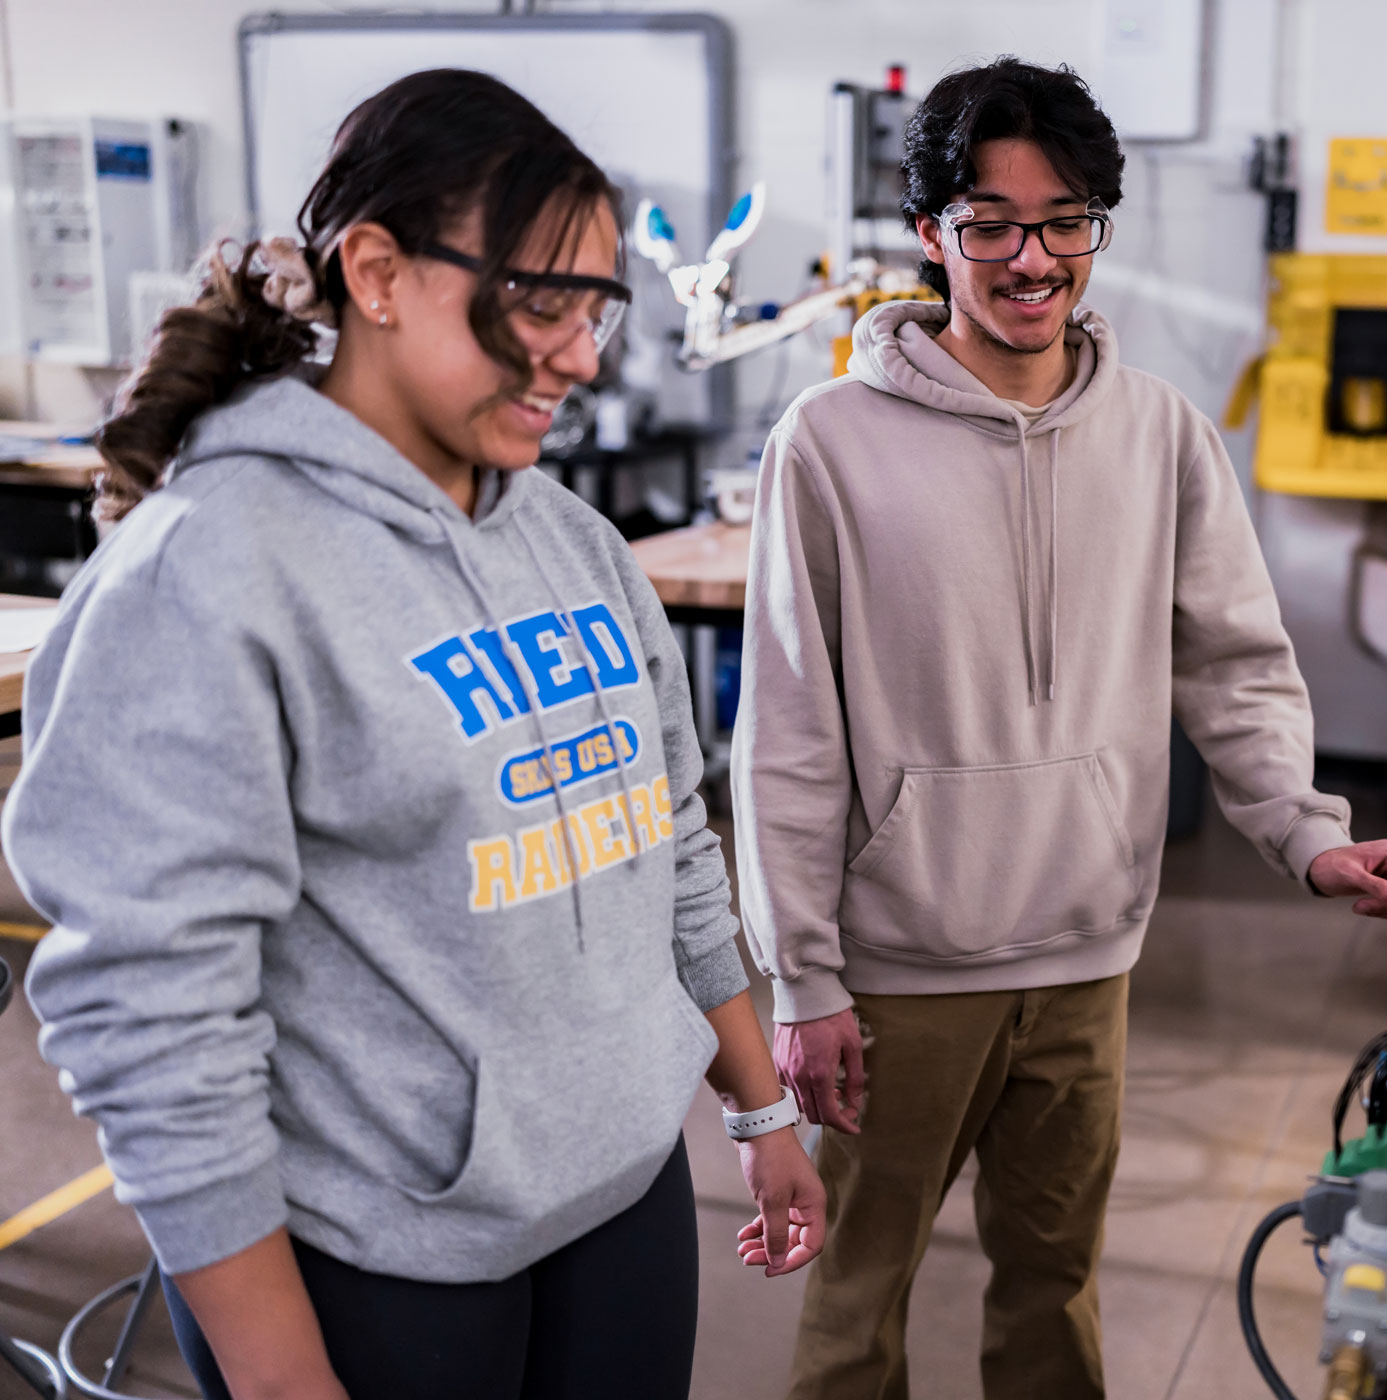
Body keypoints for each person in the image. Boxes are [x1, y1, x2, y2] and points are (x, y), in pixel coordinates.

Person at [2, 70, 821, 1400]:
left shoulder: (580, 547)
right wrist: (280, 1379)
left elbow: (666, 837)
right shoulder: (206, 573)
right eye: (538, 302)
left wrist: (757, 1104)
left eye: (595, 309)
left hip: (623, 1195)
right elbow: (153, 1019)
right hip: (380, 1254)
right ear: (378, 272)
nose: (579, 354)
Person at [729, 57, 1387, 1400]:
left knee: (1056, 1290)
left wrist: (1305, 831)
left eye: (1065, 220)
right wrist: (804, 976)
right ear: (933, 234)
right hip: (898, 975)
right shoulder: (828, 444)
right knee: (859, 1299)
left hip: (1085, 958)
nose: (1031, 256)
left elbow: (1235, 661)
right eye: (990, 222)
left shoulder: (1163, 433)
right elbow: (785, 733)